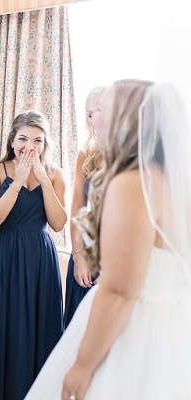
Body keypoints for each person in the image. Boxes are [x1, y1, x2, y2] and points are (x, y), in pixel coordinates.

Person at [26, 80, 191, 399]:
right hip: (175, 325)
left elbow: (119, 291)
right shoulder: (174, 183)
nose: (97, 119)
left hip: (135, 329)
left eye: (107, 110)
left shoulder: (133, 183)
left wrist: (83, 366)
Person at [0, 110, 67, 399]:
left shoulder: (55, 174)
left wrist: (42, 178)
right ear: (12, 141)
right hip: (4, 257)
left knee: (41, 328)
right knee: (3, 328)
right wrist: (17, 183)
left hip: (40, 259)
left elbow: (58, 223)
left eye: (38, 140)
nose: (31, 146)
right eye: (24, 138)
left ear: (45, 144)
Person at [63, 87, 106, 327]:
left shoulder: (133, 152)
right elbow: (77, 208)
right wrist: (78, 256)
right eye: (89, 113)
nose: (94, 119)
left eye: (99, 110)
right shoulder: (86, 154)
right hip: (87, 250)